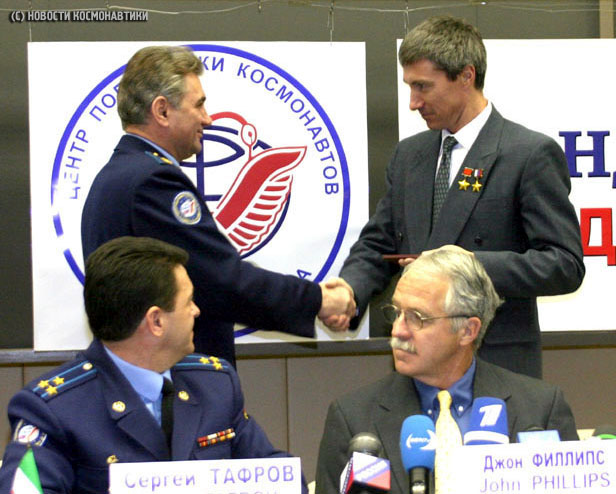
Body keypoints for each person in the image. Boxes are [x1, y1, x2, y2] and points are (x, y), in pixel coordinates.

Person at [325, 16, 584, 378]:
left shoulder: (529, 154)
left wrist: (467, 266)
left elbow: (564, 265)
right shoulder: (408, 156)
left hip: (495, 366)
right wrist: (350, 291)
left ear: (466, 76)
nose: (413, 102)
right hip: (417, 365)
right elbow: (377, 243)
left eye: (423, 87)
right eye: (409, 87)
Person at [81, 45, 355, 366]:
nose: (207, 119)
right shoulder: (152, 181)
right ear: (162, 111)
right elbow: (222, 280)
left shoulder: (119, 174)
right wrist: (318, 300)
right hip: (173, 378)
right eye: (198, 105)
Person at [0, 236, 308, 494]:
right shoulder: (51, 410)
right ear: (156, 321)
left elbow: (280, 479)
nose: (197, 311)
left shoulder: (214, 384)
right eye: (188, 301)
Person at [315, 246, 579, 494]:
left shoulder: (540, 410)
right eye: (397, 313)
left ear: (468, 330)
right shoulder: (354, 419)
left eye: (417, 318)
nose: (398, 331)